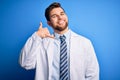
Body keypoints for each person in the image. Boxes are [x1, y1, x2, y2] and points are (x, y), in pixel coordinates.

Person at [19, 2, 99, 80]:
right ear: (49, 23)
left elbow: (92, 74)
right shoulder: (41, 43)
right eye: (54, 16)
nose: (60, 17)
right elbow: (25, 64)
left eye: (62, 14)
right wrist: (37, 36)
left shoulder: (85, 43)